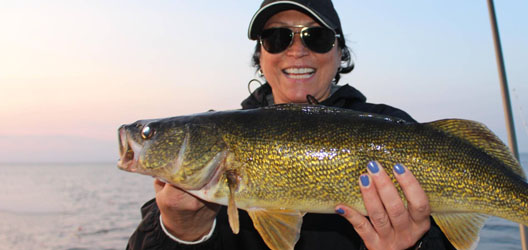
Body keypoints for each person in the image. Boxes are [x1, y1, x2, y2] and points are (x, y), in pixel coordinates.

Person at [127, 0, 455, 249]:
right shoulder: (210, 144)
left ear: (340, 52)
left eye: (317, 37)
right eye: (277, 37)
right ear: (261, 54)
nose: (297, 50)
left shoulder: (395, 126)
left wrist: (417, 245)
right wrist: (180, 230)